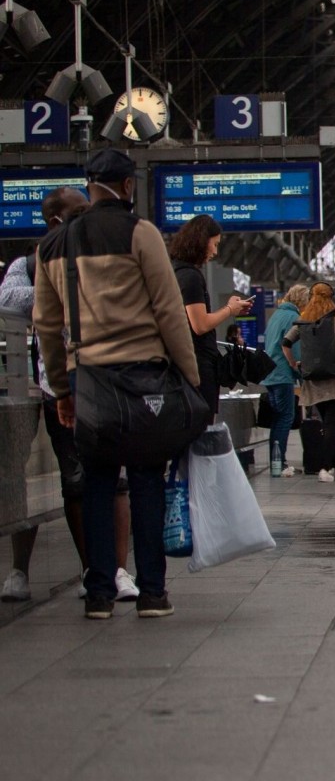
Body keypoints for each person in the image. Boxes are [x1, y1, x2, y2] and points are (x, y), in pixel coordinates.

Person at [32, 148, 200, 620]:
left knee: (97, 485)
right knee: (145, 481)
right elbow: (169, 311)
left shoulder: (52, 246)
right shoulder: (140, 233)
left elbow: (46, 326)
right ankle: (151, 593)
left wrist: (62, 392)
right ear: (128, 187)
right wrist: (190, 375)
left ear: (89, 186)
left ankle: (101, 595)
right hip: (144, 379)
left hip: (89, 382)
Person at [0, 188, 139, 604]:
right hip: (48, 385)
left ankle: (114, 569)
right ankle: (44, 569)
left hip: (104, 379)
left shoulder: (102, 252)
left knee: (114, 479)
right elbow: (7, 300)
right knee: (64, 481)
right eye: (78, 211)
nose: (87, 217)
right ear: (55, 220)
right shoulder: (28, 263)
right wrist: (62, 288)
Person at [169, 214, 252, 419]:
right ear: (200, 241)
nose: (215, 252)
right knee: (202, 427)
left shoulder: (175, 271)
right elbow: (200, 324)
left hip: (184, 362)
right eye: (214, 244)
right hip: (198, 366)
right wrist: (229, 310)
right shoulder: (190, 276)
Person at [281, 282, 335, 482]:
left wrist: (294, 364)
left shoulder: (303, 319)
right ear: (331, 296)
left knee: (327, 423)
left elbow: (286, 343)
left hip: (313, 379)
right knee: (331, 424)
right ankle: (324, 468)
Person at [261, 284, 308, 477]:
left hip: (270, 374)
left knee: (278, 419)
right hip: (282, 374)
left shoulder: (277, 315)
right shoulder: (293, 318)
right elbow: (293, 349)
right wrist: (300, 372)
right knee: (285, 418)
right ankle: (279, 463)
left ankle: (276, 462)